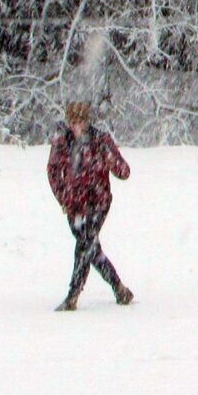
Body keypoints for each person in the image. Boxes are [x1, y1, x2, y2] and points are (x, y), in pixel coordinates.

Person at [46, 99, 133, 311]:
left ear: (87, 121)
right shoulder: (62, 142)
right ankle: (119, 287)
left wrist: (111, 160)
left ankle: (73, 295)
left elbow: (124, 171)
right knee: (90, 248)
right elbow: (53, 171)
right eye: (73, 121)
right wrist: (63, 198)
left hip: (97, 202)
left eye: (81, 121)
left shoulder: (100, 140)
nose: (77, 125)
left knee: (85, 244)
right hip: (74, 205)